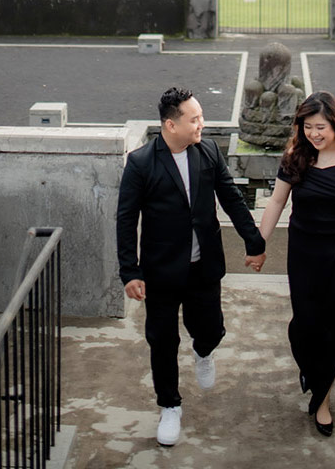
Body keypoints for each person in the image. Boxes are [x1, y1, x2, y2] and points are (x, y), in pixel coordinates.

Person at [117, 86, 266, 447]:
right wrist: (130, 271)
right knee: (162, 340)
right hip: (161, 271)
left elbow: (231, 198)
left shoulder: (208, 151)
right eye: (194, 119)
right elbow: (126, 219)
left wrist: (254, 241)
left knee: (211, 329)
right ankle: (170, 405)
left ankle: (203, 351)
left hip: (204, 266)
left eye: (201, 117)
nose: (202, 124)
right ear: (171, 125)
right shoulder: (141, 163)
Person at [254, 91, 335, 437]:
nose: (314, 134)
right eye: (307, 127)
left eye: (320, 127)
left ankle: (322, 400)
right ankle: (313, 369)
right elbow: (276, 202)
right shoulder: (296, 157)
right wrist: (258, 244)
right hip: (305, 252)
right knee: (306, 325)